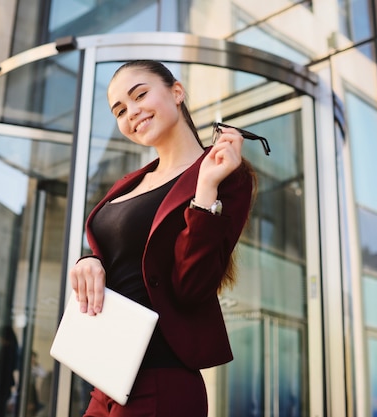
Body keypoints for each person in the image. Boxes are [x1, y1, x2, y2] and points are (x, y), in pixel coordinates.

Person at [68, 60, 257, 417]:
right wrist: (89, 259)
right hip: (107, 376)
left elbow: (193, 286)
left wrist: (205, 191)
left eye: (140, 95)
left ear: (177, 91)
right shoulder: (129, 182)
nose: (132, 112)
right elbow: (115, 254)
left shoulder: (224, 175)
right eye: (120, 110)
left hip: (161, 379)